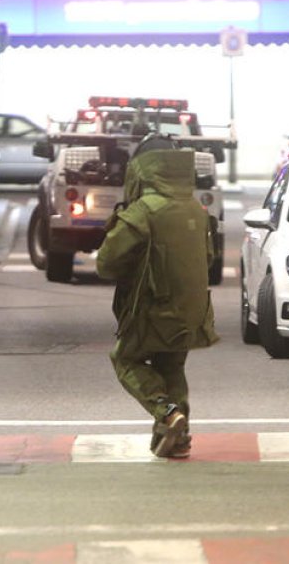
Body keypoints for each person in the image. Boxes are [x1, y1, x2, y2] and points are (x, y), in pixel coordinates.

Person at [95, 135, 220, 459]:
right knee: (171, 367)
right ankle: (178, 439)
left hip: (153, 308)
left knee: (125, 359)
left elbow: (105, 264)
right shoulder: (195, 207)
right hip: (191, 309)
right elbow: (207, 259)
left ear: (143, 169)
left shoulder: (144, 211)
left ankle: (165, 413)